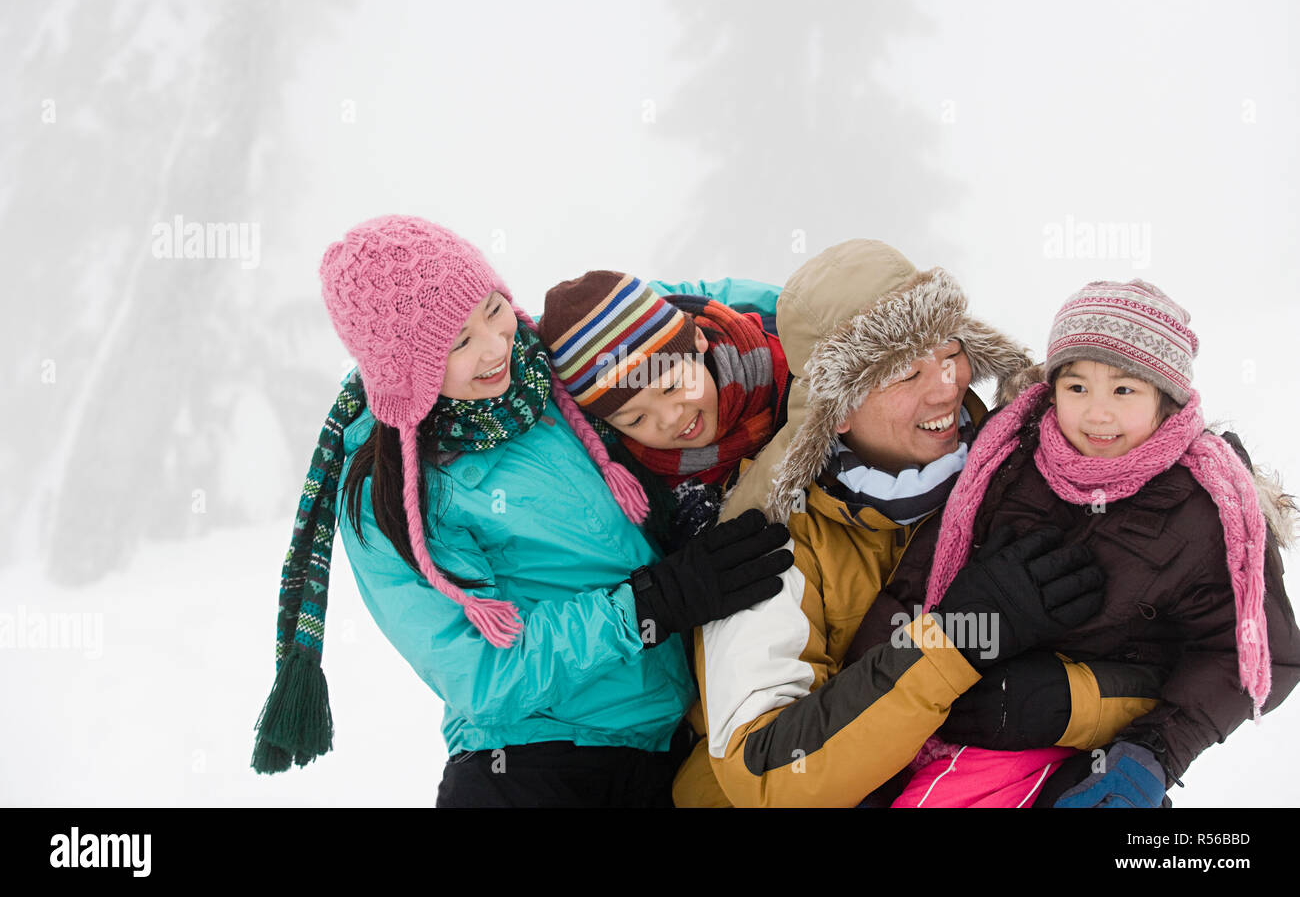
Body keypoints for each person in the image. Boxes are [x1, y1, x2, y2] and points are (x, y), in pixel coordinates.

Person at [250, 215, 793, 807]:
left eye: (491, 307)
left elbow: (693, 306)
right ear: (406, 370)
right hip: (530, 766)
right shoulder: (392, 495)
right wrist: (649, 605)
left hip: (671, 744)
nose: (494, 346)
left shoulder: (549, 362)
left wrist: (845, 314)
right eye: (456, 343)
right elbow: (480, 673)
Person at [672, 239, 1119, 807]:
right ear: (836, 412)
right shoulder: (770, 536)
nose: (947, 385)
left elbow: (1177, 641)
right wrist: (955, 644)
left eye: (949, 349)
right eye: (906, 372)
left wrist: (1068, 702)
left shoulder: (1026, 470)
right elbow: (761, 773)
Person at [873, 279, 1300, 807]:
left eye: (1124, 390)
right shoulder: (1004, 462)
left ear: (1166, 400)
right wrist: (877, 693)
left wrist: (1154, 753)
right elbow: (913, 588)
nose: (1097, 415)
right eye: (1077, 388)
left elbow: (1255, 655)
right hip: (949, 714)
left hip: (1089, 745)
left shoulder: (1205, 511)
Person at [539, 270, 790, 544]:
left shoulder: (792, 359)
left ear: (697, 341)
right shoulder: (653, 491)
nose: (670, 418)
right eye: (636, 420)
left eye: (672, 387)